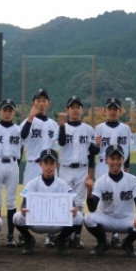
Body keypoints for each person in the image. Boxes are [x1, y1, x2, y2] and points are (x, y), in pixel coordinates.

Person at [13, 148, 82, 256]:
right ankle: (29, 239)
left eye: (52, 163)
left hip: (56, 224)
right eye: (46, 163)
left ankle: (61, 239)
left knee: (79, 217)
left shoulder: (63, 184)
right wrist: (23, 210)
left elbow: (71, 204)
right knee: (17, 217)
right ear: (40, 164)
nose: (49, 166)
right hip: (36, 223)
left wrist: (73, 210)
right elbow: (24, 203)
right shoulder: (32, 183)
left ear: (56, 165)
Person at [84, 145, 136, 258]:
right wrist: (89, 192)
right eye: (112, 158)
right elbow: (92, 208)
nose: (116, 162)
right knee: (88, 218)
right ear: (106, 160)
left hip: (125, 219)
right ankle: (103, 243)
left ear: (123, 159)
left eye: (118, 158)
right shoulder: (101, 181)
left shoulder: (132, 180)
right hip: (107, 219)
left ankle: (127, 243)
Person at [19, 89, 58, 247]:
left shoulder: (53, 124)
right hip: (32, 164)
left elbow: (59, 143)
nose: (41, 103)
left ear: (49, 103)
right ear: (33, 103)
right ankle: (24, 235)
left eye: (44, 101)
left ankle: (50, 234)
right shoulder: (28, 121)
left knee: (51, 199)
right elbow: (22, 135)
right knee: (28, 198)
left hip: (49, 165)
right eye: (38, 101)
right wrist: (30, 117)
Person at [93, 97, 132, 249]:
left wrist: (126, 169)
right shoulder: (99, 128)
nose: (113, 111)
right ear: (105, 110)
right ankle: (102, 237)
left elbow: (127, 150)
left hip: (119, 165)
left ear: (120, 111)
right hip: (103, 165)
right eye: (110, 108)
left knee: (118, 199)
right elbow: (94, 151)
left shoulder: (126, 128)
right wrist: (96, 146)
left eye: (115, 109)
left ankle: (115, 235)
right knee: (103, 200)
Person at [57, 95, 95, 249]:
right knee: (65, 203)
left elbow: (92, 154)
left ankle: (77, 236)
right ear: (67, 110)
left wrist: (90, 174)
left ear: (82, 110)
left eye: (78, 107)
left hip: (82, 169)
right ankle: (65, 236)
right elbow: (61, 142)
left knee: (79, 204)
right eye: (72, 107)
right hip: (65, 168)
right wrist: (61, 125)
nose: (75, 110)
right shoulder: (62, 127)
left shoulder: (88, 130)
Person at [0, 99, 22, 247]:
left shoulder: (18, 130)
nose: (7, 113)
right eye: (4, 110)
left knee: (11, 201)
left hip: (13, 163)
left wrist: (15, 164)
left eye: (10, 110)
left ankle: (10, 236)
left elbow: (20, 149)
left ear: (14, 112)